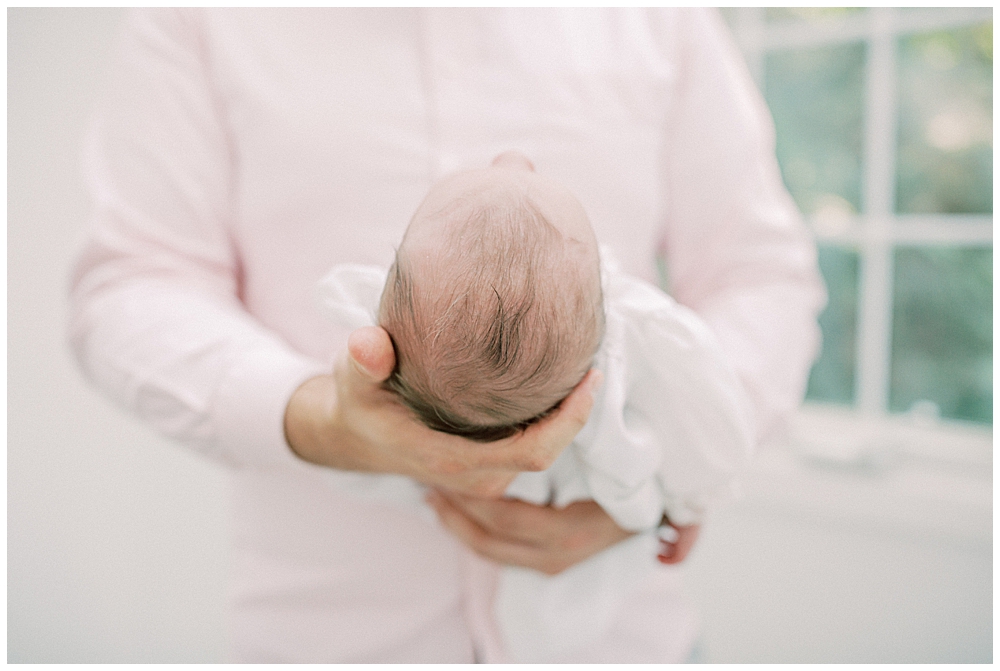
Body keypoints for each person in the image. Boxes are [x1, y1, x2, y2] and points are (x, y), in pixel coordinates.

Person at [69, 8, 824, 662]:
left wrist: (661, 478)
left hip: (629, 645)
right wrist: (315, 417)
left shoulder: (659, 15)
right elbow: (132, 284)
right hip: (326, 639)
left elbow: (759, 276)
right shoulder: (199, 17)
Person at [313, 152, 752, 661]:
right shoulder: (654, 346)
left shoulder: (366, 328)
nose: (512, 160)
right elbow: (708, 426)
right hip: (353, 628)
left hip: (635, 641)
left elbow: (761, 270)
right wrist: (689, 498)